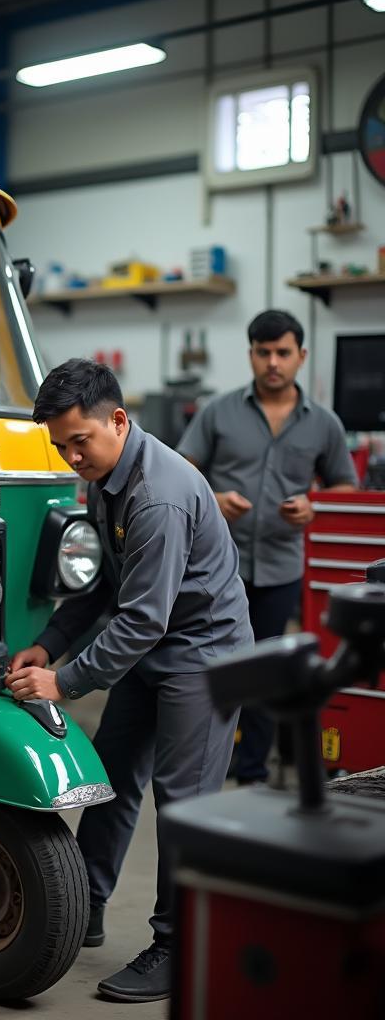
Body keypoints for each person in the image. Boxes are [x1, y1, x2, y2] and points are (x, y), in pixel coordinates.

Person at [6, 358, 253, 1004]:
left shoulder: (158, 494)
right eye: (60, 446)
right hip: (155, 646)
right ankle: (80, 908)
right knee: (112, 777)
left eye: (78, 441)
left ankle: (179, 946)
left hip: (203, 655)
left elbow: (142, 618)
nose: (70, 458)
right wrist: (47, 644)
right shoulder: (107, 476)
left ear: (119, 420)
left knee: (184, 805)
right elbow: (104, 592)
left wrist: (66, 682)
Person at [177, 310, 357, 785]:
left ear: (301, 356)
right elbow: (180, 471)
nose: (273, 362)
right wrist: (212, 499)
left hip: (280, 568)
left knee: (266, 667)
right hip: (216, 569)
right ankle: (206, 761)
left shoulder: (324, 423)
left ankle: (252, 772)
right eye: (263, 352)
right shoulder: (218, 411)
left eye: (282, 353)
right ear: (251, 354)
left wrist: (314, 505)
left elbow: (345, 488)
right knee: (210, 668)